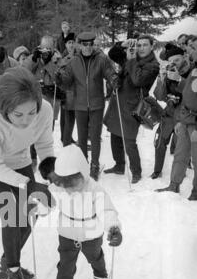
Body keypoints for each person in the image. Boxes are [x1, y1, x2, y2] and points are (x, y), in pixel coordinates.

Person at [0, 67, 55, 279]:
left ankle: (5, 263)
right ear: (4, 108)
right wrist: (31, 186)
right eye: (18, 115)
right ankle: (13, 272)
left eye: (31, 112)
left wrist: (51, 177)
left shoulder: (45, 110)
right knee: (11, 214)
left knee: (31, 211)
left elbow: (44, 145)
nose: (26, 120)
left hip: (19, 160)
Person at [38, 145, 122, 279]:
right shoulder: (57, 187)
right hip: (67, 234)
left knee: (95, 257)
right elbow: (48, 203)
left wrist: (113, 228)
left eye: (72, 183)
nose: (68, 189)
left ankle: (100, 278)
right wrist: (38, 208)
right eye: (63, 183)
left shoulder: (95, 189)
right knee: (65, 268)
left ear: (82, 174)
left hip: (91, 234)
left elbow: (107, 210)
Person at [56, 31, 118, 181]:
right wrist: (59, 78)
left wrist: (114, 79)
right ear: (79, 45)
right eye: (85, 45)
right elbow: (67, 82)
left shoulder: (101, 59)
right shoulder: (74, 61)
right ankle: (83, 164)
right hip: (80, 105)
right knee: (82, 138)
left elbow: (109, 72)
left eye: (90, 44)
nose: (88, 47)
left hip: (97, 104)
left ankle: (95, 165)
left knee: (95, 137)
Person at [103, 35, 159, 183]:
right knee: (115, 135)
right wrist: (122, 44)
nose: (141, 48)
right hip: (119, 101)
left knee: (129, 140)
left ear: (151, 46)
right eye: (139, 45)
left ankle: (136, 171)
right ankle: (119, 165)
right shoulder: (131, 56)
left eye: (144, 45)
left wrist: (131, 59)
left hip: (133, 106)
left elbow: (137, 80)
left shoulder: (153, 65)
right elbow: (112, 54)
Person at [156, 48, 197, 200]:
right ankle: (174, 184)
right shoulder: (177, 73)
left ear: (185, 56)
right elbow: (182, 98)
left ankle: (196, 191)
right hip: (185, 119)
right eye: (172, 61)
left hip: (195, 121)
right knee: (180, 154)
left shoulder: (193, 71)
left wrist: (180, 80)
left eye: (177, 60)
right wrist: (163, 79)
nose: (175, 64)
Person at [24, 35, 63, 122]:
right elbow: (24, 72)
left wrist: (51, 63)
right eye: (44, 48)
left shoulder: (58, 59)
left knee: (48, 130)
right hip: (35, 99)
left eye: (48, 48)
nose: (45, 51)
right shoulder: (35, 57)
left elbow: (59, 78)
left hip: (51, 99)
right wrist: (33, 59)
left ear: (53, 48)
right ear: (40, 47)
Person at [59, 32, 77, 146]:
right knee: (67, 118)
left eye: (72, 42)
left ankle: (67, 137)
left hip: (76, 91)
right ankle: (66, 140)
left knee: (69, 118)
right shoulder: (62, 58)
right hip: (67, 92)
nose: (71, 44)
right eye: (69, 42)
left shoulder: (78, 55)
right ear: (65, 44)